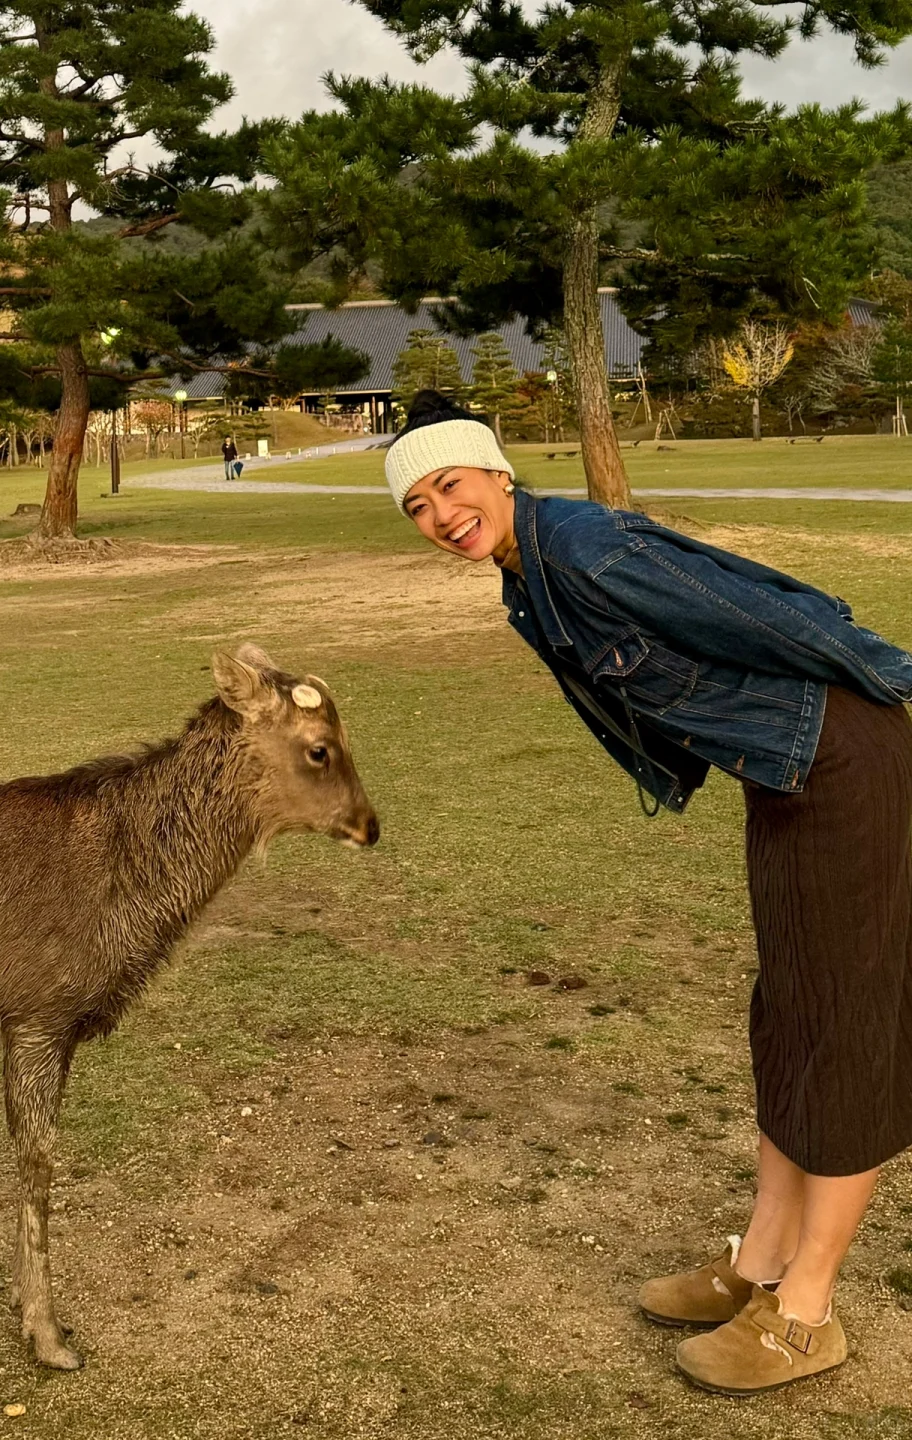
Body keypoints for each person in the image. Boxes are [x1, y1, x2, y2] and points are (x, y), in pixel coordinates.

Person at [385, 389, 912, 1397]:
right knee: (788, 1010)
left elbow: (762, 609)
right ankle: (757, 1263)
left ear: (494, 471)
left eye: (449, 485)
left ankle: (806, 1310)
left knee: (844, 1018)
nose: (440, 515)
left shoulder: (582, 548)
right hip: (788, 769)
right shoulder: (524, 581)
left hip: (843, 755)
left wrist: (896, 673)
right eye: (416, 506)